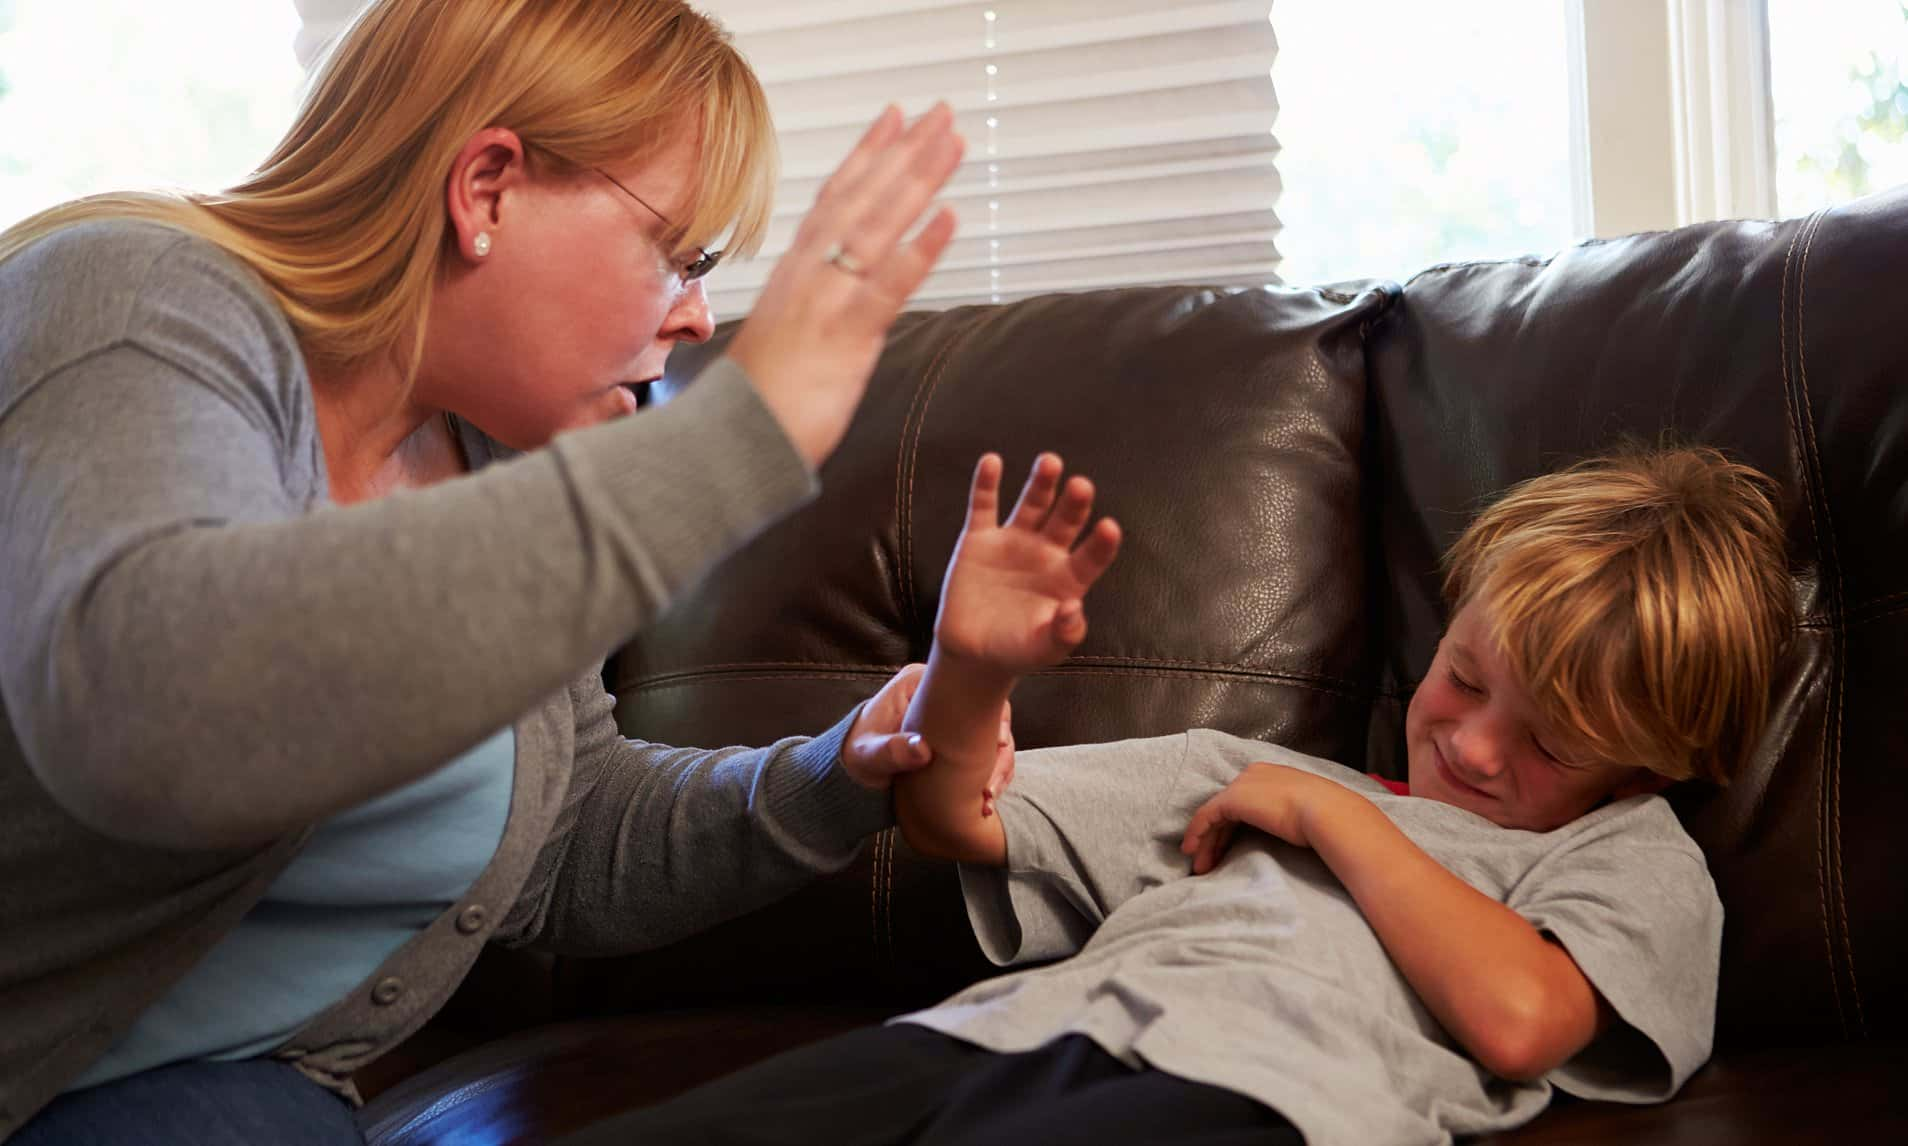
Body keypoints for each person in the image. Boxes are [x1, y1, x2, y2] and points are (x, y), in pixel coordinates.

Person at [0, 2, 1009, 1142]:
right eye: (680, 254)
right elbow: (141, 705)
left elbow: (567, 846)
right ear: (485, 190)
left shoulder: (490, 456)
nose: (699, 315)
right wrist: (737, 438)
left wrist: (843, 772)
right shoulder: (129, 305)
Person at [556, 443, 1793, 1146]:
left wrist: (1330, 817)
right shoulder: (1235, 779)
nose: (1471, 748)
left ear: (1656, 761)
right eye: (1463, 679)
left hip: (1263, 1098)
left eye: (1552, 746)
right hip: (1002, 1032)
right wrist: (973, 677)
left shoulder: (1627, 858)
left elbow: (1522, 1020)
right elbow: (952, 821)